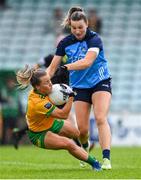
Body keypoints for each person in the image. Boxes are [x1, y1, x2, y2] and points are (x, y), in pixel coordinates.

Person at [47, 6, 112, 170]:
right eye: (74, 28)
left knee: (100, 118)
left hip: (100, 81)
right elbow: (52, 68)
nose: (77, 31)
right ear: (70, 25)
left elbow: (87, 62)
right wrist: (40, 83)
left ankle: (106, 159)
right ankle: (86, 153)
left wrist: (67, 67)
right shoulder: (64, 43)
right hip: (79, 87)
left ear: (87, 24)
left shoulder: (94, 39)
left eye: (80, 27)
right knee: (82, 130)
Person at [15, 65, 101, 171]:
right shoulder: (37, 103)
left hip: (50, 122)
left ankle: (84, 151)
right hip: (39, 134)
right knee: (68, 144)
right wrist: (71, 97)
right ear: (37, 87)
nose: (50, 84)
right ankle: (95, 164)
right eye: (46, 83)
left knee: (76, 133)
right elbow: (63, 115)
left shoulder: (43, 90)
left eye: (49, 80)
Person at [12, 54, 70, 149]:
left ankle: (19, 132)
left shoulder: (70, 59)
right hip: (51, 92)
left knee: (50, 118)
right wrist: (34, 76)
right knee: (59, 116)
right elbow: (39, 64)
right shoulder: (51, 57)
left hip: (58, 92)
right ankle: (80, 144)